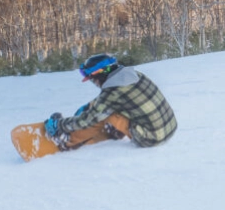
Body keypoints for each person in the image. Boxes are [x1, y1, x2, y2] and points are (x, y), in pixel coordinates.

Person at [44, 53, 177, 150]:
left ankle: (67, 140)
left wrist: (59, 125)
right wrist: (90, 106)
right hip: (168, 127)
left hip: (151, 138)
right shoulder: (133, 75)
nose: (94, 83)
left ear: (100, 75)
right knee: (105, 107)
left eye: (92, 79)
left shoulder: (112, 91)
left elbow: (90, 119)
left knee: (106, 114)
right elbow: (108, 100)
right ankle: (116, 130)